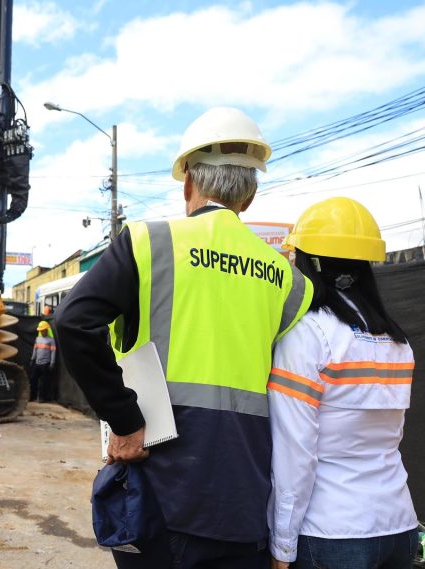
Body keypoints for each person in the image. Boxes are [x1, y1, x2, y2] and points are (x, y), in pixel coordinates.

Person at [55, 106, 314, 569]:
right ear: (249, 196)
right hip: (244, 501)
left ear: (189, 182)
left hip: (161, 497)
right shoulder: (290, 281)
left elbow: (73, 323)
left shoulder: (148, 242)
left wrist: (125, 421)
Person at [268, 197, 418, 569]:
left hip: (332, 533)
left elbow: (294, 454)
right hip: (399, 525)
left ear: (310, 263)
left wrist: (281, 547)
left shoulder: (307, 336)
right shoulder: (398, 343)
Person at [29, 320, 56, 402]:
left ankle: (42, 398)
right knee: (33, 380)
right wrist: (32, 359)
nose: (42, 331)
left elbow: (53, 351)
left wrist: (52, 362)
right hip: (37, 363)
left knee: (44, 382)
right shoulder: (37, 339)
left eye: (43, 330)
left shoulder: (51, 340)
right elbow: (35, 349)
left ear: (46, 330)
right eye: (40, 330)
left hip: (45, 364)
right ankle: (32, 396)